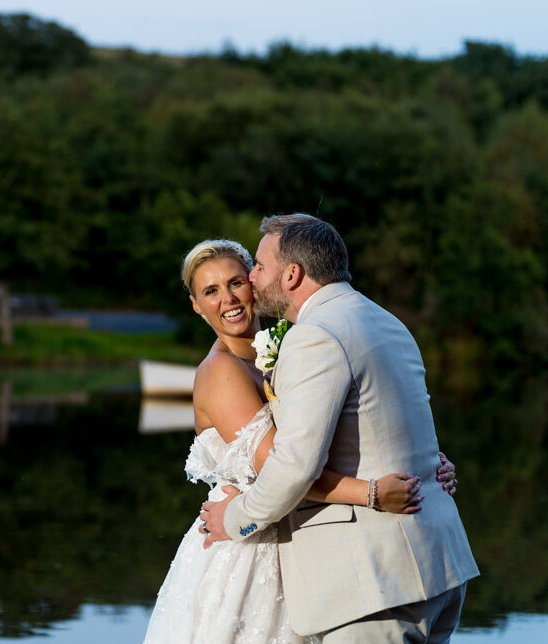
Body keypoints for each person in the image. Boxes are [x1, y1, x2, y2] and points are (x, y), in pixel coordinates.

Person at [144, 239, 459, 643]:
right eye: (211, 291)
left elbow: (353, 425)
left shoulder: (296, 342)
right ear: (196, 306)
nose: (229, 299)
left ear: (254, 284)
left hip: (311, 547)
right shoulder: (220, 373)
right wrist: (373, 492)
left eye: (236, 282)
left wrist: (427, 467)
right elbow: (285, 467)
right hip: (247, 549)